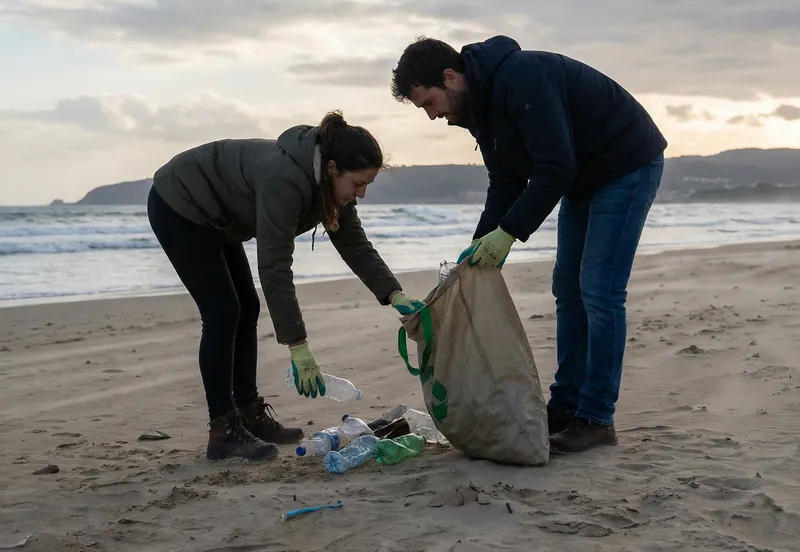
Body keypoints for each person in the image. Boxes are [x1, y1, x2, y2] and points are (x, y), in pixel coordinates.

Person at [391, 35, 667, 454]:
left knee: (599, 289)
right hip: (582, 179)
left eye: (430, 102)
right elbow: (505, 180)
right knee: (567, 291)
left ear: (450, 77)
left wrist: (509, 234)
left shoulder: (523, 77)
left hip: (625, 164)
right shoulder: (478, 108)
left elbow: (554, 165)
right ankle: (567, 405)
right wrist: (479, 245)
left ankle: (596, 418)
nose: (432, 116)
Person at [148, 111, 423, 462]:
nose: (362, 194)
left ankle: (248, 412)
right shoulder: (285, 180)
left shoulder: (327, 183)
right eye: (358, 184)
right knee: (222, 312)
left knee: (245, 307)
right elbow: (275, 267)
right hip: (180, 203)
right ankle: (223, 431)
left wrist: (393, 293)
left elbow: (353, 243)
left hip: (219, 215)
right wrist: (298, 346)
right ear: (333, 167)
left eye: (367, 185)